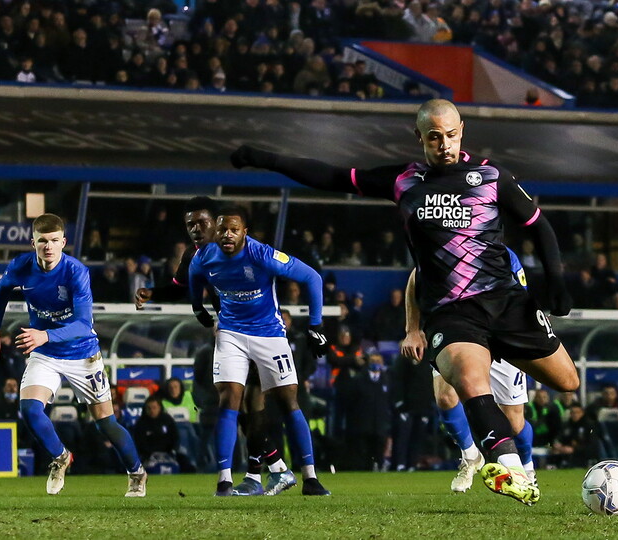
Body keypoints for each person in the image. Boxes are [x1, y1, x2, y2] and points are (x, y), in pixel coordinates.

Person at [231, 98, 577, 504]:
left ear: (461, 130)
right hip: (451, 311)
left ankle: (503, 458)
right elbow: (331, 176)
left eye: (450, 134)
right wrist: (264, 158)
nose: (444, 144)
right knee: (468, 382)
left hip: (505, 301)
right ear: (419, 138)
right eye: (434, 137)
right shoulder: (404, 180)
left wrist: (557, 283)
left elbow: (539, 226)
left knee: (567, 382)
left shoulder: (491, 176)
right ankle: (511, 471)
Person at [136, 196, 297, 494]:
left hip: (259, 335)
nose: (196, 229)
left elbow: (275, 276)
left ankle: (268, 474)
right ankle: (272, 470)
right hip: (231, 338)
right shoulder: (195, 256)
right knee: (241, 409)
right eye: (190, 225)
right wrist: (153, 292)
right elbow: (179, 287)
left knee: (249, 407)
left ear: (218, 222)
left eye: (203, 223)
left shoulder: (246, 250)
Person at [0, 213, 147, 497]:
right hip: (45, 352)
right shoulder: (21, 267)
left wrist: (44, 334)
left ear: (64, 242)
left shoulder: (76, 272)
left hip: (82, 353)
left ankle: (137, 473)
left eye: (53, 241)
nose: (48, 247)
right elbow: (1, 289)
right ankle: (60, 457)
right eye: (42, 241)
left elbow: (84, 324)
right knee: (29, 409)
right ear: (32, 242)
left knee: (106, 424)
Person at [188, 205, 331, 496]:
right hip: (231, 334)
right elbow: (194, 279)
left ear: (245, 233)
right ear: (214, 231)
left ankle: (310, 478)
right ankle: (225, 480)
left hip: (269, 334)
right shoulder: (204, 256)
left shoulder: (262, 254)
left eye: (234, 230)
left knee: (288, 401)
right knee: (229, 399)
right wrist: (197, 307)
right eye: (222, 229)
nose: (227, 235)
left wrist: (316, 326)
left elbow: (312, 278)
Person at [401, 248, 538, 493]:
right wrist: (413, 329)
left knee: (514, 422)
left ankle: (527, 467)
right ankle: (470, 455)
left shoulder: (502, 255)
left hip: (500, 333)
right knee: (445, 397)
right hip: (456, 331)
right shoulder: (443, 246)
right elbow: (415, 277)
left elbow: (521, 298)